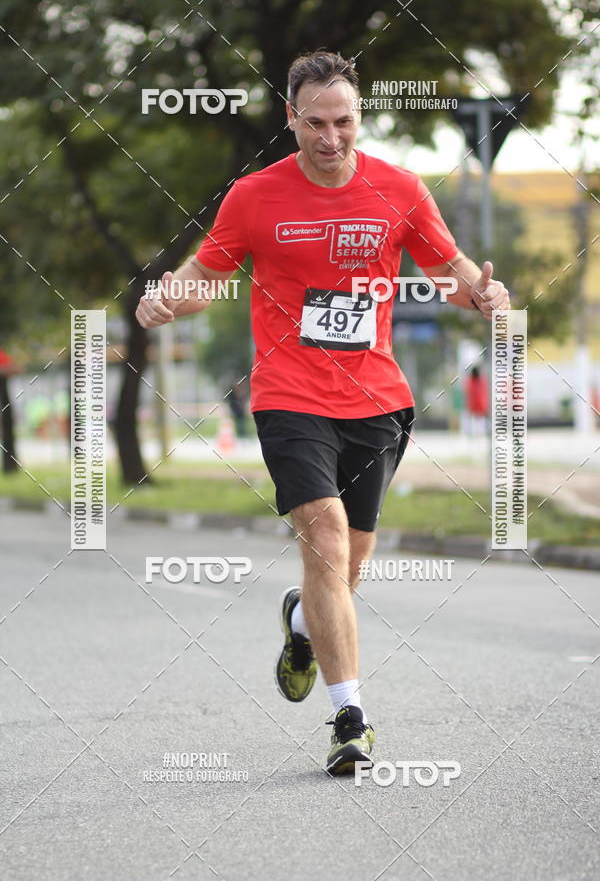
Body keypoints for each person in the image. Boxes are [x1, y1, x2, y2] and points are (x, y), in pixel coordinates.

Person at [136, 50, 510, 775]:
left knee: (347, 566)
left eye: (344, 122)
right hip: (288, 394)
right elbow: (199, 277)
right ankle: (351, 717)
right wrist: (163, 299)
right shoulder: (253, 196)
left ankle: (303, 625)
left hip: (378, 399)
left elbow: (454, 272)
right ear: (291, 119)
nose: (332, 137)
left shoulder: (398, 189)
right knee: (327, 538)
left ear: (359, 117)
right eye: (316, 123)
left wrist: (484, 296)